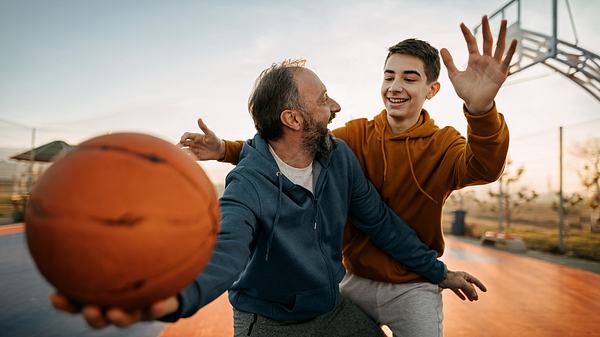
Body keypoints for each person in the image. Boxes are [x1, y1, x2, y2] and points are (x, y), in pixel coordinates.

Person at [52, 59, 486, 336]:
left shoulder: (338, 158)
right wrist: (178, 296)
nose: (335, 105)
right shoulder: (248, 185)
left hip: (329, 307)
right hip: (271, 323)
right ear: (294, 118)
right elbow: (225, 250)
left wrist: (437, 271)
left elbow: (379, 221)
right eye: (322, 99)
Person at [183, 16, 516, 336]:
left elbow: (483, 168)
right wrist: (226, 149)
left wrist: (482, 111)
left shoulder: (434, 145)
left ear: (432, 89)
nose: (395, 86)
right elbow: (284, 149)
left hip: (409, 281)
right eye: (389, 76)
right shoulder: (349, 139)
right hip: (350, 281)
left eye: (410, 78)